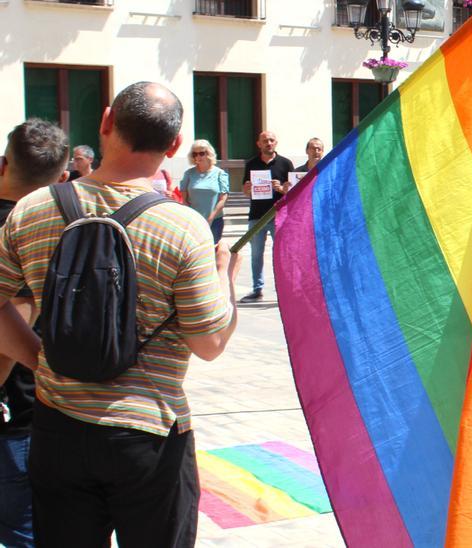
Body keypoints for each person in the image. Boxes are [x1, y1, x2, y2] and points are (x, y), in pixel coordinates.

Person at [0, 81, 239, 548]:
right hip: (147, 437)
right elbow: (209, 344)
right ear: (173, 146)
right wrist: (225, 276)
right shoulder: (183, 226)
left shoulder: (33, 209)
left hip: (57, 429)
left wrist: (42, 360)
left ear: (106, 122)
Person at [0, 119, 68, 548]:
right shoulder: (29, 230)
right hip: (14, 414)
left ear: (4, 163)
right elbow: (11, 329)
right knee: (25, 534)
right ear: (62, 179)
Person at [240, 130, 294, 303]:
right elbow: (245, 190)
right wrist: (247, 190)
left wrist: (281, 189)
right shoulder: (251, 164)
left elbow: (293, 190)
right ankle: (257, 289)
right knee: (256, 254)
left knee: (281, 254)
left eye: (271, 140)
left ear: (276, 143)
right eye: (265, 141)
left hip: (279, 215)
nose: (268, 143)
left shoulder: (286, 164)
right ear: (259, 144)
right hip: (256, 215)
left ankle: (285, 289)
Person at [179, 139, 230, 242]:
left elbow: (223, 200)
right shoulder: (188, 174)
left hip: (214, 221)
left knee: (212, 252)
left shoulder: (220, 174)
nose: (198, 157)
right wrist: (193, 218)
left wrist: (211, 217)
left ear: (209, 154)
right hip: (193, 222)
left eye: (201, 153)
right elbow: (184, 200)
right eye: (195, 154)